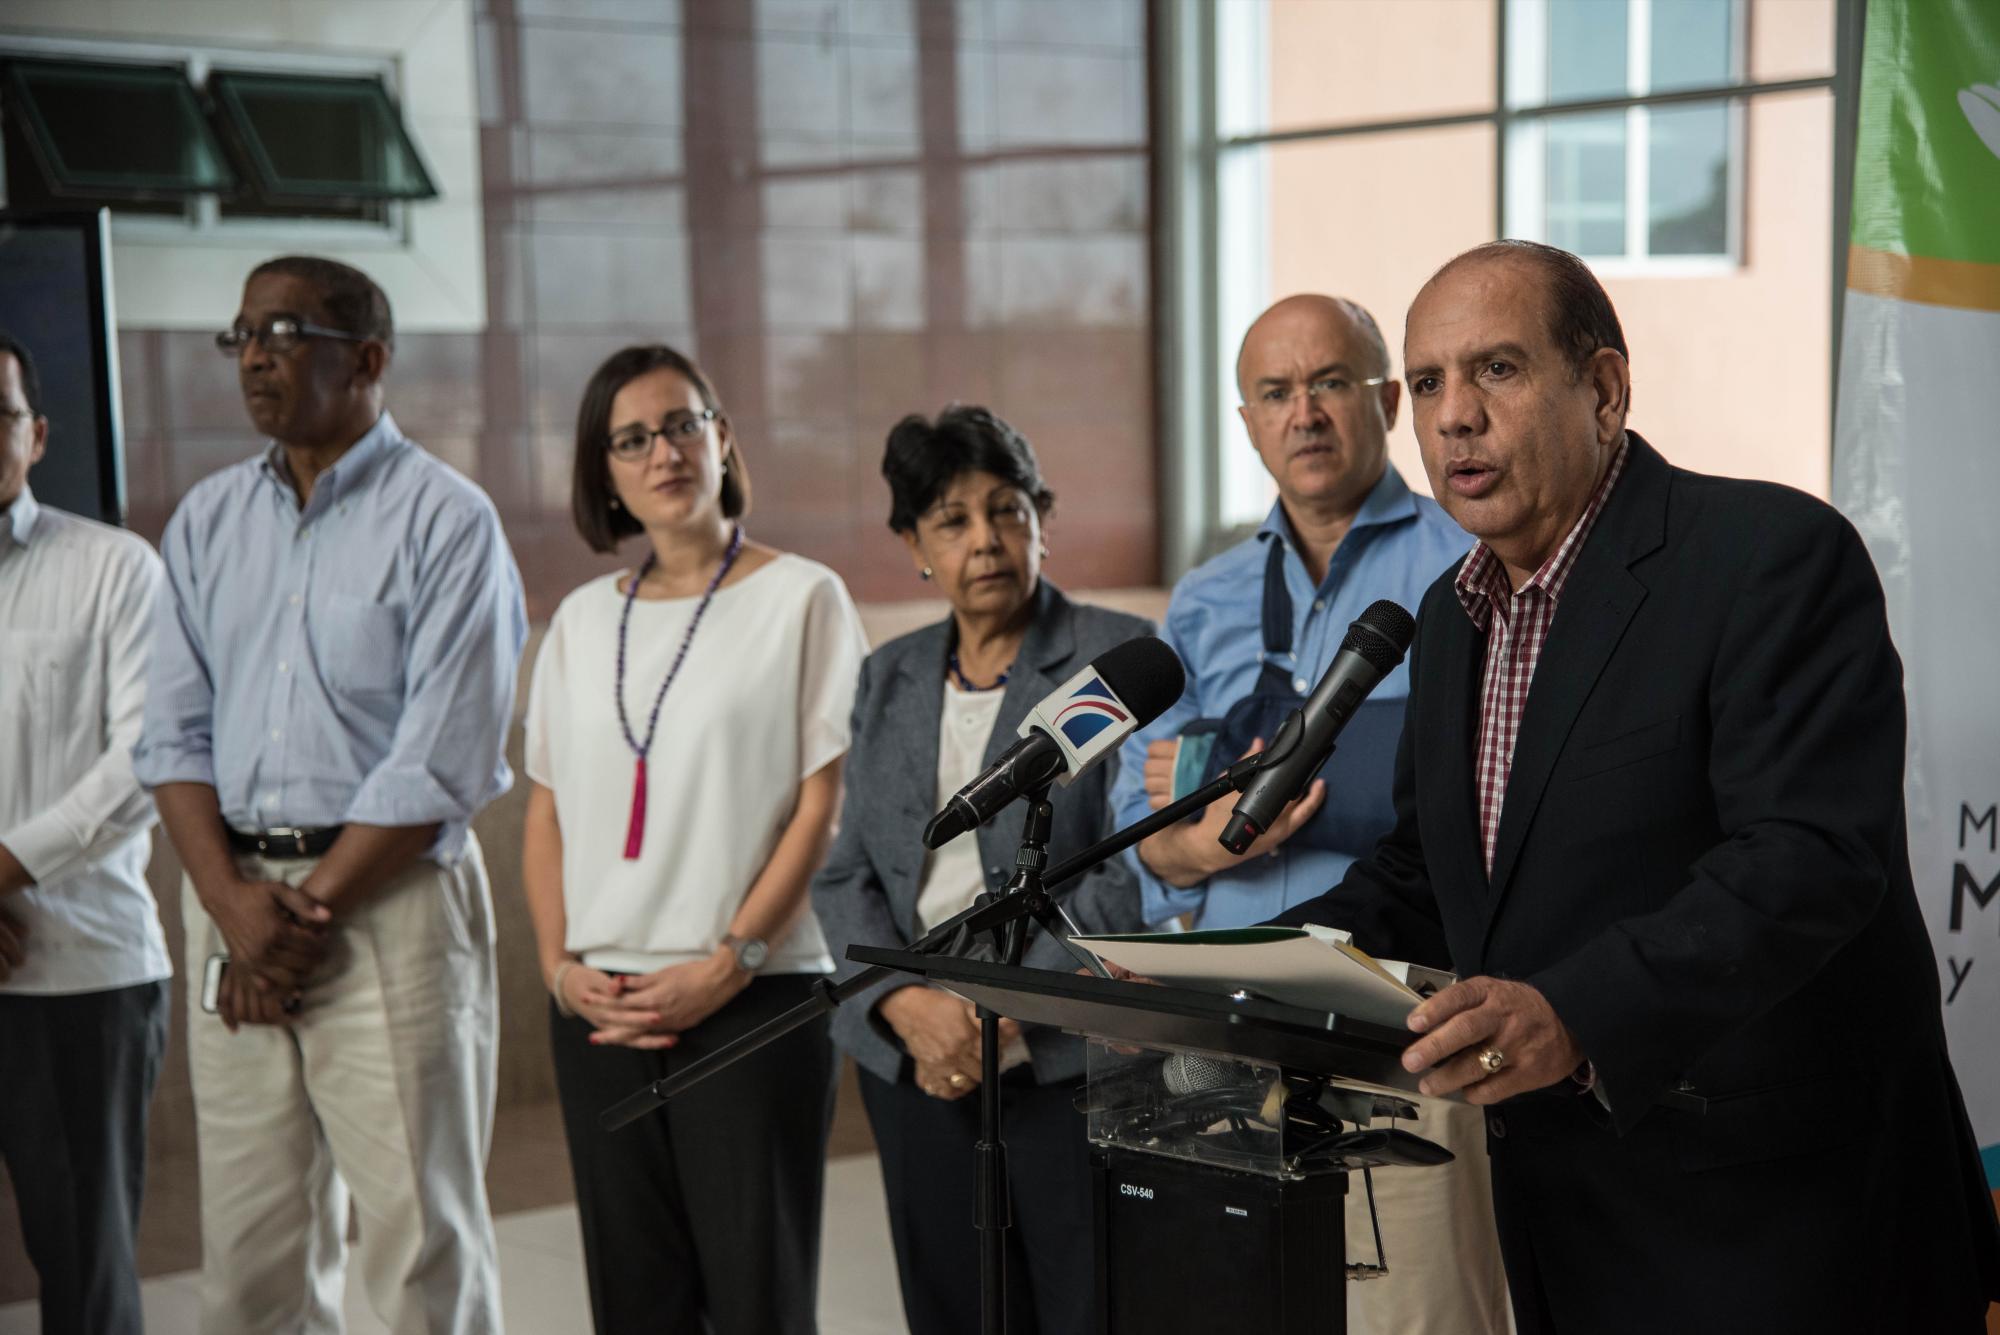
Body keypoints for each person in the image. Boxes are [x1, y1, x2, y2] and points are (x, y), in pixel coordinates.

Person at [1274, 240, 2000, 1333]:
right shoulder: (1447, 620)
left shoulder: (1766, 556)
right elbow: (1435, 878)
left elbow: (1804, 857)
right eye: (1426, 384)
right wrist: (1233, 974)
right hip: (1566, 1211)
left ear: (1604, 389)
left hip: (1783, 1218)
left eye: (1496, 371)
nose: (1452, 416)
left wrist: (1574, 1009)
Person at [133, 256, 526, 1333]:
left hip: (388, 907)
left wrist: (297, 922)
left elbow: (440, 757)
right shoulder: (208, 523)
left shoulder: (449, 521)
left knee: (417, 1243)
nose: (256, 354)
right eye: (244, 332)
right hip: (231, 896)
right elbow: (171, 735)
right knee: (252, 1252)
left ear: (368, 359)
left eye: (286, 329)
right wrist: (231, 906)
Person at [1109, 295, 1509, 1334]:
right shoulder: (1205, 597)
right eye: (1275, 393)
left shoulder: (1464, 564)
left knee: (1414, 1308)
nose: (1304, 414)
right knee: (1232, 1300)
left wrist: (1260, 776)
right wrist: (1191, 843)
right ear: (1245, 420)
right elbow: (1136, 795)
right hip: (1222, 1020)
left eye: (1328, 383)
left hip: (1399, 1015)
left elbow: (1465, 789)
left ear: (1383, 399)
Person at [522, 343, 867, 1335]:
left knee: (757, 1298)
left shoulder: (802, 597)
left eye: (682, 423)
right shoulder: (581, 622)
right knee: (636, 1303)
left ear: (721, 437)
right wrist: (555, 966)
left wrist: (734, 959)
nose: (662, 451)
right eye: (631, 439)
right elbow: (544, 812)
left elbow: (823, 805)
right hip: (599, 1006)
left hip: (752, 1002)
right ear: (605, 474)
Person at [813, 406, 1151, 1335]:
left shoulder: (1109, 654)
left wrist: (1000, 1013)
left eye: (1007, 510)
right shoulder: (892, 675)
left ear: (1042, 516)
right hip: (917, 1047)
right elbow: (846, 876)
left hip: (1055, 1051)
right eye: (953, 521)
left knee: (1087, 1302)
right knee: (952, 1302)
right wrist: (902, 1004)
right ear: (915, 545)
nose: (986, 540)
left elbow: (1132, 870)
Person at [0, 332, 168, 1335]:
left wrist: (5, 870)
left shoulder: (114, 569)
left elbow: (144, 761)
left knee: (86, 1270)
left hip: (79, 976)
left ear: (38, 434)